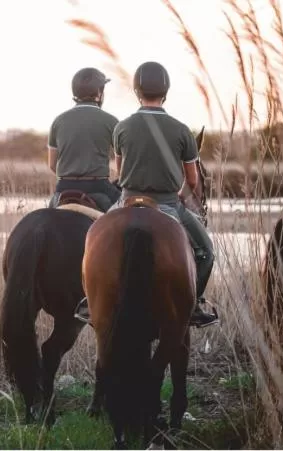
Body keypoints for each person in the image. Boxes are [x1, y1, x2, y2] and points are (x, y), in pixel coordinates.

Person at [75, 61, 219, 329]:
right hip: (168, 205)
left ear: (137, 91)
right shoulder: (182, 130)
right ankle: (194, 304)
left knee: (92, 240)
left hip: (125, 200)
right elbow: (191, 179)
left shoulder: (122, 127)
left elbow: (120, 169)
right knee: (207, 253)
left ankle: (88, 301)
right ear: (166, 91)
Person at [47, 67, 121, 212]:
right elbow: (123, 167)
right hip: (99, 187)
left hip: (63, 187)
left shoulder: (58, 121)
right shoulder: (111, 121)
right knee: (125, 214)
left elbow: (52, 164)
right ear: (99, 93)